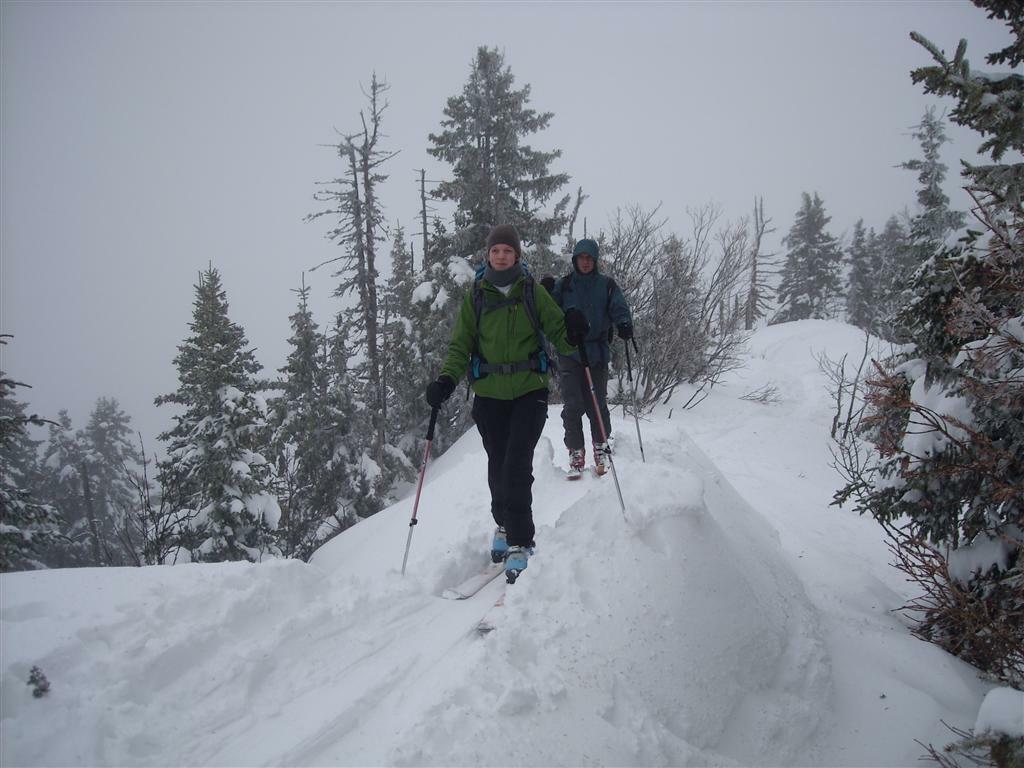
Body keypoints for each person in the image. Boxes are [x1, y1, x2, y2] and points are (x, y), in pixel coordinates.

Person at [425, 224, 588, 582]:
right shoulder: (477, 296)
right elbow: (460, 345)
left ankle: (520, 541)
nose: (501, 256)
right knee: (498, 466)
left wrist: (575, 330)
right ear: (488, 255)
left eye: (508, 251)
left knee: (516, 464)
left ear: (517, 255)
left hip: (529, 391)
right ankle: (503, 524)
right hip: (489, 396)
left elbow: (559, 333)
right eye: (496, 250)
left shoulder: (531, 291)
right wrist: (446, 380)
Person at [547, 238, 633, 479]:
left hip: (597, 351)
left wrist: (624, 323)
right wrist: (545, 291)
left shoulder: (606, 285)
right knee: (573, 403)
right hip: (570, 351)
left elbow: (619, 307)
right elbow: (548, 310)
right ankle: (576, 450)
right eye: (581, 258)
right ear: (575, 260)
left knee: (597, 403)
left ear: (595, 261)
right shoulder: (564, 285)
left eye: (589, 258)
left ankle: (601, 446)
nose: (585, 262)